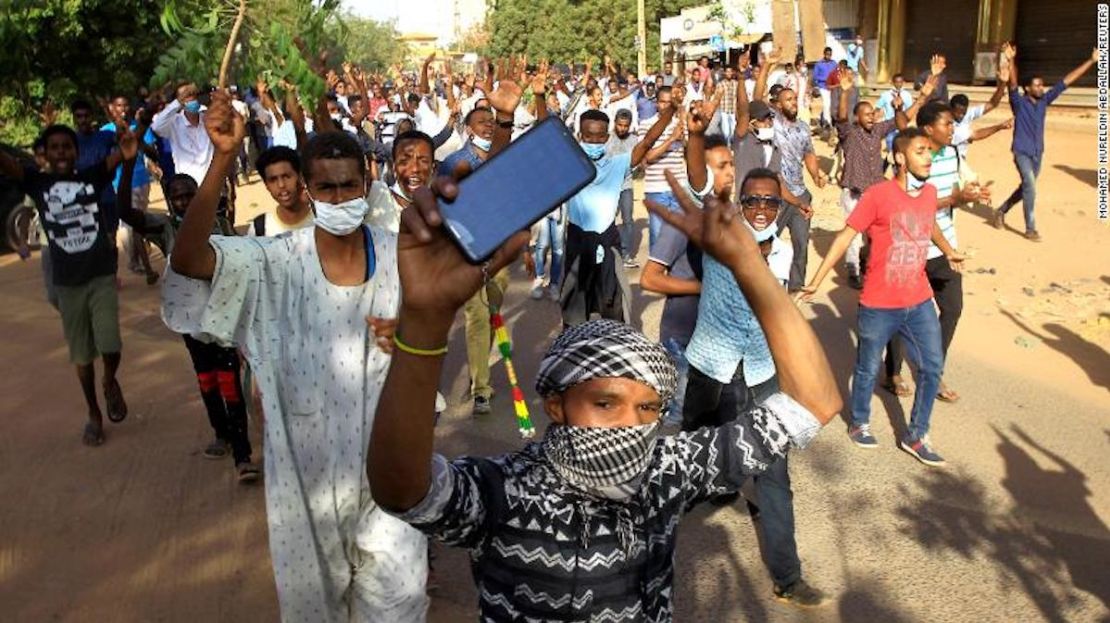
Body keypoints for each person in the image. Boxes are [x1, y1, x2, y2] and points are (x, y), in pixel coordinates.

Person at [368, 162, 842, 621]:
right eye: (605, 402)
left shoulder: (666, 472)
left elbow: (813, 403)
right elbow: (404, 492)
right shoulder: (505, 489)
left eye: (649, 408)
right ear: (556, 405)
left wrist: (748, 266)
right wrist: (426, 318)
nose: (630, 424)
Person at [162, 91, 429, 621]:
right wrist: (220, 159)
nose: (338, 197)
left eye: (348, 184)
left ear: (367, 184)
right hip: (305, 483)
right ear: (308, 191)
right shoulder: (273, 262)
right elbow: (191, 259)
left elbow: (454, 294)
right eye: (325, 187)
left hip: (389, 470)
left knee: (399, 603)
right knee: (315, 609)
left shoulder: (401, 254)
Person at [800, 128, 967, 467]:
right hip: (879, 303)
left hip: (919, 300)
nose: (928, 157)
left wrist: (948, 250)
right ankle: (860, 421)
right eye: (921, 151)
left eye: (930, 152)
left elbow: (930, 221)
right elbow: (845, 237)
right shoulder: (877, 195)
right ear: (901, 158)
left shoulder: (930, 192)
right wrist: (816, 280)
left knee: (932, 367)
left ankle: (917, 434)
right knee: (866, 368)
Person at [0, 122, 143, 446]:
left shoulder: (90, 177)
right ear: (47, 155)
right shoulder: (38, 182)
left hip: (100, 276)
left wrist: (127, 152)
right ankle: (93, 413)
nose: (62, 152)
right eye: (55, 147)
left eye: (67, 146)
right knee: (81, 357)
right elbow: (8, 164)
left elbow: (121, 154)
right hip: (68, 284)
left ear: (76, 152)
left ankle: (109, 381)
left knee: (110, 344)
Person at [438, 81, 522, 415]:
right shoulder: (455, 163)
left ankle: (479, 374)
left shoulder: (507, 158)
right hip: (471, 252)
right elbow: (446, 208)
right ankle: (481, 389)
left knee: (491, 315)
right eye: (481, 123)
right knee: (476, 317)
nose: (488, 127)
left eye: (492, 122)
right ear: (467, 129)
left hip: (501, 250)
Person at [560, 102, 678, 328]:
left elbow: (647, 142)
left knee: (611, 308)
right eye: (588, 136)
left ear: (606, 138)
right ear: (580, 136)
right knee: (573, 312)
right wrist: (539, 97)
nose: (593, 142)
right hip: (577, 241)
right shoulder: (571, 164)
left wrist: (671, 109)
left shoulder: (618, 164)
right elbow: (547, 140)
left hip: (607, 240)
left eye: (599, 137)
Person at [638, 101, 715, 424]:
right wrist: (701, 287)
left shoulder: (728, 217)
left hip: (715, 339)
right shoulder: (685, 218)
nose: (728, 174)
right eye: (719, 166)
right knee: (679, 423)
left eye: (730, 166)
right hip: (682, 336)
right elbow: (650, 279)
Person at [993, 44, 1098, 241]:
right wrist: (1010, 59)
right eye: (1037, 85)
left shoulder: (1044, 101)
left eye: (1042, 85)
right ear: (1028, 88)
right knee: (1030, 187)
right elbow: (1012, 84)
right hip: (1021, 152)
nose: (1042, 88)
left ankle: (1001, 210)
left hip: (1037, 153)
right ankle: (1030, 228)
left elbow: (1067, 81)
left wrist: (1091, 61)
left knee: (1027, 187)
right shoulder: (1019, 102)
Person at [834, 69, 920, 288]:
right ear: (858, 117)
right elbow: (841, 117)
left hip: (874, 194)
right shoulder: (850, 133)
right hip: (853, 194)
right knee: (853, 235)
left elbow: (901, 122)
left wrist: (909, 103)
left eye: (872, 113)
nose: (871, 116)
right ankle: (853, 271)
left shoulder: (878, 131)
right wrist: (844, 92)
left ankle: (871, 266)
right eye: (866, 114)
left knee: (877, 233)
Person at [771, 83, 828, 292]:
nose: (793, 103)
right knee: (768, 243)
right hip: (777, 195)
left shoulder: (803, 127)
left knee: (801, 245)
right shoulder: (773, 125)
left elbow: (809, 154)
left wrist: (815, 175)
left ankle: (795, 288)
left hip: (800, 195)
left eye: (794, 99)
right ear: (778, 104)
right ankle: (764, 289)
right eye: (788, 99)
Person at [103, 94, 160, 284]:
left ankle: (137, 260)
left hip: (142, 181)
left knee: (138, 222)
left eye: (126, 105)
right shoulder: (106, 132)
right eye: (119, 105)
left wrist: (139, 140)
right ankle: (144, 265)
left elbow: (152, 152)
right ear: (112, 108)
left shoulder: (139, 128)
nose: (123, 109)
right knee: (132, 225)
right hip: (121, 184)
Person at [637, 86, 686, 250]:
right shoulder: (646, 125)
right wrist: (671, 140)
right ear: (656, 103)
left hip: (679, 189)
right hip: (656, 190)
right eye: (663, 102)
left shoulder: (680, 124)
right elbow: (648, 156)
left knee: (680, 239)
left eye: (670, 102)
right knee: (658, 239)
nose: (666, 106)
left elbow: (688, 152)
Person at [151, 82, 215, 185]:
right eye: (185, 96)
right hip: (188, 185)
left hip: (213, 181)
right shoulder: (174, 123)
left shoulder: (208, 119)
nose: (190, 98)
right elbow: (156, 127)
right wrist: (178, 102)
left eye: (191, 94)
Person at [247, 146, 313, 237]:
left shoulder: (322, 220)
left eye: (286, 177)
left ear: (300, 177)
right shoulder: (259, 229)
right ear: (266, 185)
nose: (281, 185)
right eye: (273, 180)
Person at [606, 109, 639, 268]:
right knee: (607, 220)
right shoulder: (607, 139)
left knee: (628, 221)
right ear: (615, 123)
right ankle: (608, 252)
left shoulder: (634, 140)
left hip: (626, 185)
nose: (622, 128)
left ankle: (625, 254)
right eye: (619, 125)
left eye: (625, 126)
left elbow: (638, 160)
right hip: (609, 186)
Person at [812, 47, 838, 128]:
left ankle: (823, 118)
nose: (828, 56)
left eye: (830, 55)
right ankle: (828, 123)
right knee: (826, 104)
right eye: (827, 54)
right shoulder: (819, 64)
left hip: (833, 87)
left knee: (832, 105)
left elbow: (836, 74)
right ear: (824, 54)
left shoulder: (834, 64)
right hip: (823, 86)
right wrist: (817, 86)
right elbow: (815, 77)